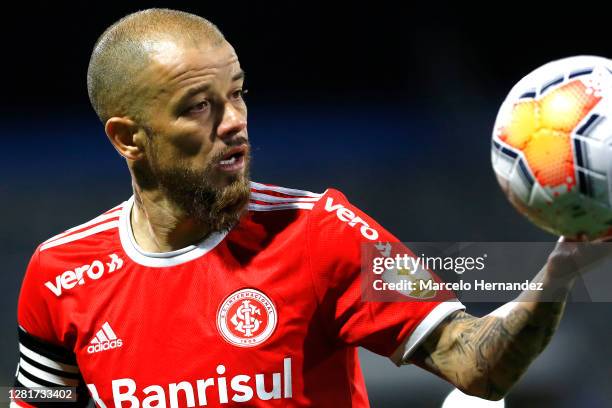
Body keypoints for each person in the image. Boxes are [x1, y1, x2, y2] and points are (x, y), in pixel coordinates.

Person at [11, 8, 604, 408]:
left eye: (237, 92)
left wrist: (559, 271)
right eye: (199, 107)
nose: (235, 122)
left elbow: (478, 365)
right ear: (127, 137)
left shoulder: (324, 231)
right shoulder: (59, 274)